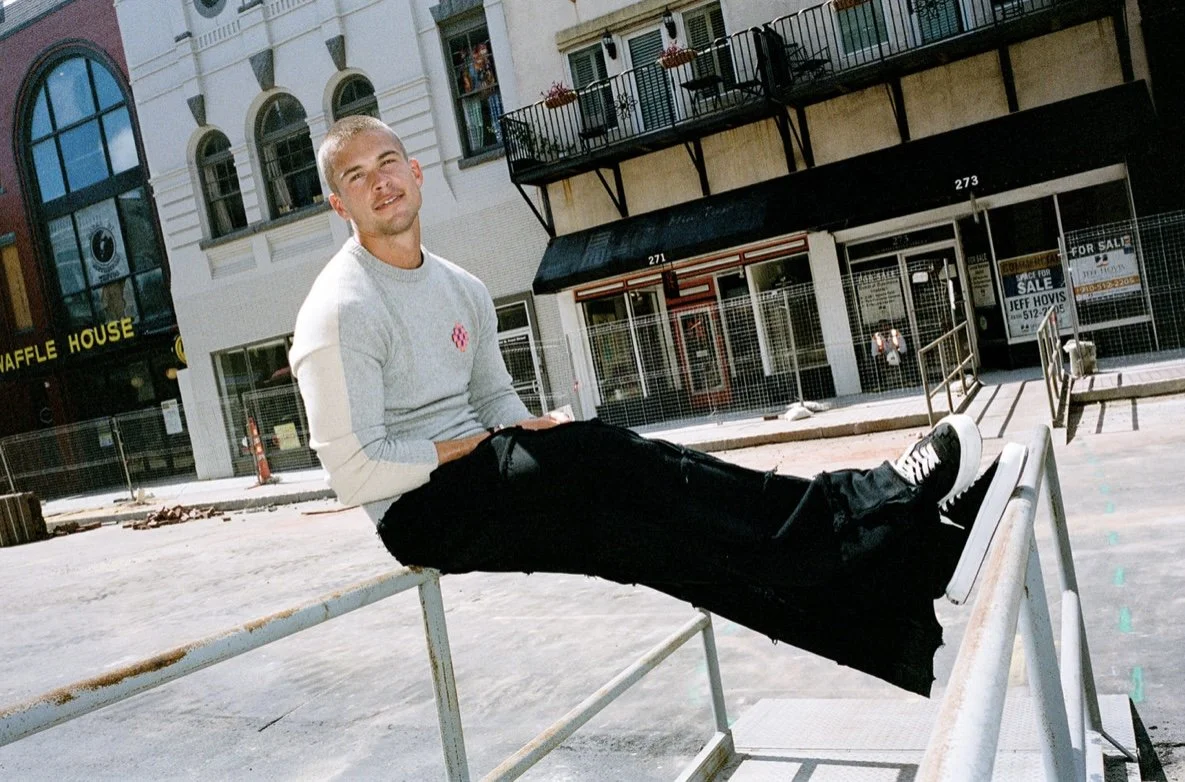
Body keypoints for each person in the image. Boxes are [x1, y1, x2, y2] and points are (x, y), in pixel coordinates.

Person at [290, 116, 1020, 696]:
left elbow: (492, 400)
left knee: (661, 543)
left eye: (388, 162)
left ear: (415, 172)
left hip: (484, 474)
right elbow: (355, 475)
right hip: (421, 512)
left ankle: (915, 604)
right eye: (356, 176)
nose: (379, 182)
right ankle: (862, 501)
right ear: (338, 204)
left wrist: (519, 430)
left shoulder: (461, 288)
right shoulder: (340, 311)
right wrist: (493, 446)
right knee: (604, 455)